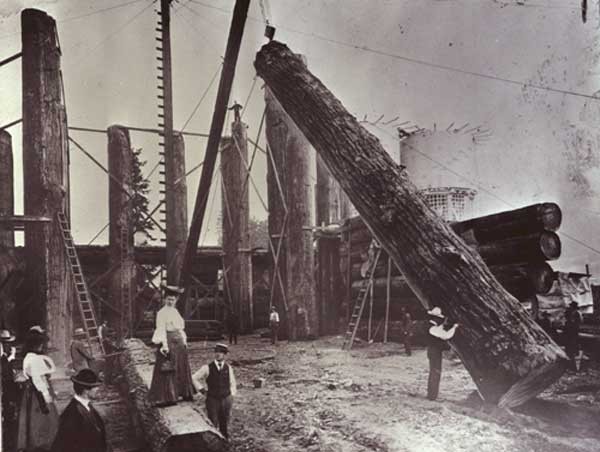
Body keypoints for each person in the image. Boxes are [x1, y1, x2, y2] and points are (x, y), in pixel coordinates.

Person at [148, 284, 196, 406]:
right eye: (168, 299)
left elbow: (180, 328)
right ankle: (167, 397)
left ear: (176, 300)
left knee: (181, 366)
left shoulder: (175, 311)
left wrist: (184, 341)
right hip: (169, 342)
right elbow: (161, 329)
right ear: (164, 299)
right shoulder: (161, 313)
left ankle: (184, 393)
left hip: (179, 343)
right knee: (168, 368)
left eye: (173, 300)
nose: (170, 301)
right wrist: (164, 345)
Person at [17, 329, 60, 451]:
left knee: (31, 418)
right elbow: (37, 379)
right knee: (44, 419)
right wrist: (47, 396)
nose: (42, 346)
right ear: (34, 345)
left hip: (30, 392)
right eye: (40, 344)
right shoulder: (35, 359)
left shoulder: (27, 357)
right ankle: (43, 443)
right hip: (38, 393)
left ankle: (34, 441)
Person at [51, 368, 108, 452]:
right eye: (95, 387)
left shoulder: (87, 406)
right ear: (86, 390)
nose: (98, 389)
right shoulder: (72, 414)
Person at [192, 343, 237, 439]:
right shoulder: (207, 368)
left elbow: (232, 382)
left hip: (226, 398)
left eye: (221, 352)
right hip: (213, 399)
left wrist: (231, 395)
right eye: (216, 352)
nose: (218, 354)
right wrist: (202, 390)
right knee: (213, 420)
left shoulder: (228, 368)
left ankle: (224, 439)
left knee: (224, 419)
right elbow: (194, 378)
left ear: (225, 355)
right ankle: (213, 441)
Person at [426, 307, 459, 401]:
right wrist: (454, 327)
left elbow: (440, 329)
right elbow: (446, 336)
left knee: (434, 371)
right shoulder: (432, 328)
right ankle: (432, 396)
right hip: (434, 352)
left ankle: (431, 394)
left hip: (433, 351)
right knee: (435, 372)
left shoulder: (432, 326)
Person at [0, 329, 18, 451]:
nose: (8, 345)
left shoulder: (4, 354)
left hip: (7, 387)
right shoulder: (3, 356)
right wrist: (11, 357)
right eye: (6, 342)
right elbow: (3, 370)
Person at [563, 301, 582, 371]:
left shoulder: (576, 314)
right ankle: (570, 365)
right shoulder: (573, 314)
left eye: (571, 306)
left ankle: (573, 367)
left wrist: (570, 323)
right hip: (571, 334)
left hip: (572, 334)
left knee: (572, 349)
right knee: (570, 349)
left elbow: (575, 324)